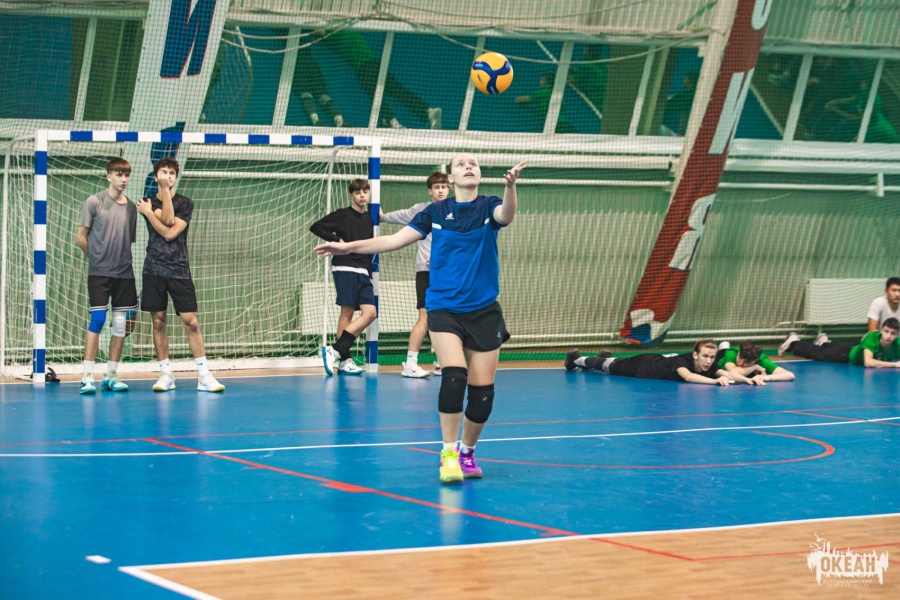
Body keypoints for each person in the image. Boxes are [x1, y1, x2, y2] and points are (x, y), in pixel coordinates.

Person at [315, 154, 526, 484]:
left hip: (484, 310)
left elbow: (507, 215)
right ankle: (448, 453)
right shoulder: (435, 212)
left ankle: (468, 452)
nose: (468, 166)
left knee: (483, 393)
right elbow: (393, 240)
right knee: (454, 376)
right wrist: (348, 247)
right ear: (451, 178)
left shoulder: (489, 206)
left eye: (473, 163)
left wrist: (510, 187)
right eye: (460, 164)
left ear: (480, 174)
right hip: (443, 307)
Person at [137, 158, 225, 393]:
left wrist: (150, 213)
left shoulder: (185, 203)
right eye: (163, 172)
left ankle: (204, 375)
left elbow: (169, 231)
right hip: (153, 269)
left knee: (191, 322)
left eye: (171, 173)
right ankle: (166, 374)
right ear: (155, 176)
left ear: (176, 178)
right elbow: (166, 221)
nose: (167, 176)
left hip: (179, 270)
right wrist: (152, 208)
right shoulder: (147, 201)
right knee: (158, 321)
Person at [76, 158, 139, 394]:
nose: (123, 179)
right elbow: (81, 238)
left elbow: (127, 242)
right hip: (99, 274)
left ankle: (111, 375)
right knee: (98, 320)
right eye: (119, 174)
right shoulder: (94, 202)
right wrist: (97, 260)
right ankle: (87, 377)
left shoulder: (131, 208)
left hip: (124, 275)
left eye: (127, 175)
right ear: (108, 176)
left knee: (120, 324)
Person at [380, 172, 451, 378]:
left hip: (448, 273)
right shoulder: (421, 210)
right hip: (427, 273)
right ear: (430, 190)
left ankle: (442, 362)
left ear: (449, 189)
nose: (440, 190)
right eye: (436, 187)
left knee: (447, 318)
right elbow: (394, 217)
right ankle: (410, 364)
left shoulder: (455, 210)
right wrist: (382, 215)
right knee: (425, 318)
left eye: (444, 186)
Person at [309, 178, 377, 376]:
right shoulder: (343, 215)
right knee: (347, 313)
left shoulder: (368, 219)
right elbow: (317, 227)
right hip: (345, 267)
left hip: (363, 271)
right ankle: (344, 360)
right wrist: (338, 241)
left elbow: (369, 247)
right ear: (351, 195)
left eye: (365, 192)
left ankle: (336, 350)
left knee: (370, 313)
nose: (362, 195)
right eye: (357, 192)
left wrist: (369, 273)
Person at [318, 29, 442, 130]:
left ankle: (392, 122)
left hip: (364, 67)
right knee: (398, 91)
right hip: (377, 64)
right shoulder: (348, 30)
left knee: (376, 96)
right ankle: (427, 111)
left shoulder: (335, 31)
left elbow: (319, 31)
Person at [565, 340, 734, 386]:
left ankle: (604, 357)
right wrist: (715, 382)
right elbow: (689, 377)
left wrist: (747, 379)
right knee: (610, 367)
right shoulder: (682, 361)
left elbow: (728, 374)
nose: (709, 361)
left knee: (610, 362)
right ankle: (575, 360)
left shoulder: (709, 364)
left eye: (712, 357)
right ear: (695, 355)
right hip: (642, 366)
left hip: (655, 360)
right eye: (705, 356)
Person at [777, 318, 900, 368]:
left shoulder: (897, 344)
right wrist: (894, 365)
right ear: (881, 330)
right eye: (886, 331)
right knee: (818, 354)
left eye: (893, 333)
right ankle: (793, 342)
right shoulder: (872, 337)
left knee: (827, 349)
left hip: (854, 347)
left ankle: (823, 342)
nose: (888, 336)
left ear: (897, 335)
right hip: (846, 355)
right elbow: (868, 362)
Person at [292, 44, 348, 127]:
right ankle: (316, 121)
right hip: (296, 65)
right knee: (306, 94)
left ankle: (340, 122)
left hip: (309, 64)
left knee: (323, 96)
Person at [716, 340, 795, 385]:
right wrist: (754, 367)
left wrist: (766, 377)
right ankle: (724, 346)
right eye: (740, 357)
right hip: (721, 357)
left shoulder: (761, 360)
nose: (741, 363)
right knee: (721, 351)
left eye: (747, 362)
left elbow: (790, 375)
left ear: (755, 360)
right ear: (739, 351)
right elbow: (732, 373)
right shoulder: (732, 352)